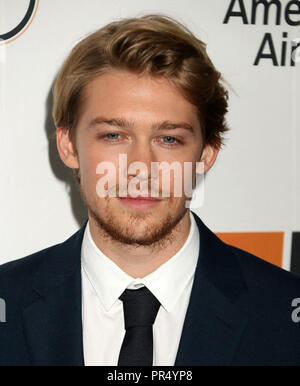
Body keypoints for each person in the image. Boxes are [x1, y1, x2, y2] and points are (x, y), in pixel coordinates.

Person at [1, 14, 300, 367]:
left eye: (168, 138)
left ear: (206, 153)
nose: (141, 167)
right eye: (114, 135)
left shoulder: (285, 316)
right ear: (68, 147)